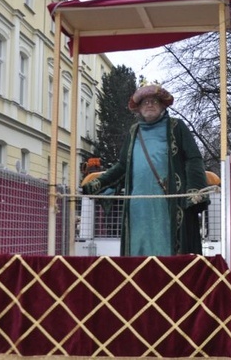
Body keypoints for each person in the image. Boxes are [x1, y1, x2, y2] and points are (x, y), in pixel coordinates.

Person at [81, 83, 208, 256]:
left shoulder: (177, 127)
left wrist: (194, 192)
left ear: (162, 104)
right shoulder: (134, 132)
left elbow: (193, 158)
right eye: (145, 101)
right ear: (139, 108)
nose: (149, 104)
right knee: (137, 251)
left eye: (154, 101)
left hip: (169, 203)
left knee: (169, 250)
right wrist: (98, 183)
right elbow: (122, 166)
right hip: (138, 206)